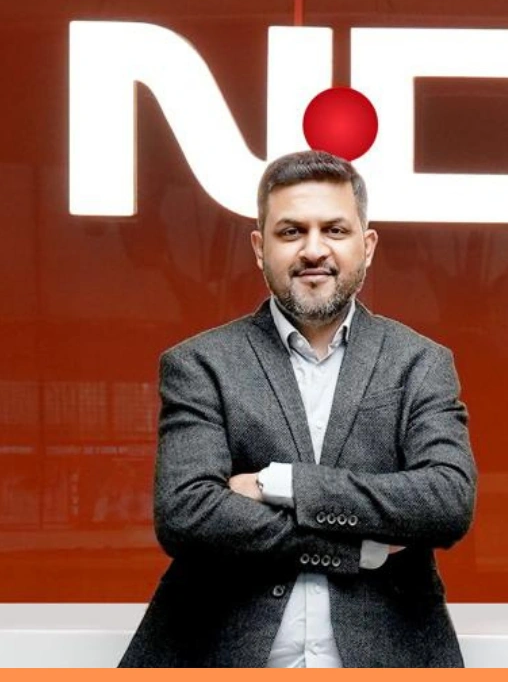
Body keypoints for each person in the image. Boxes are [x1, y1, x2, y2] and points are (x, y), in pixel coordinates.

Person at [121, 151, 477, 667]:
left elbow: (445, 501)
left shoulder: (420, 363)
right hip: (220, 655)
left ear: (367, 246)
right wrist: (355, 549)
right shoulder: (200, 364)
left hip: (388, 656)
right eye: (291, 232)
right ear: (259, 248)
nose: (313, 250)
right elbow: (186, 513)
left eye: (334, 230)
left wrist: (282, 484)